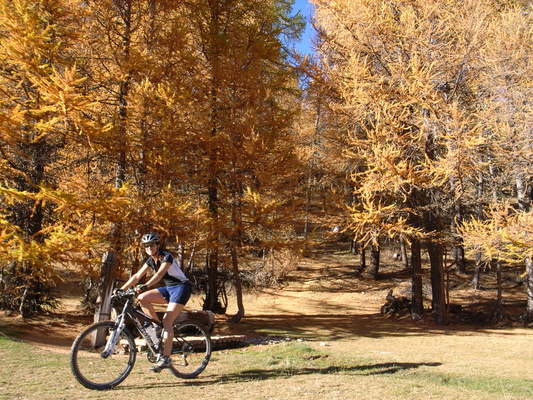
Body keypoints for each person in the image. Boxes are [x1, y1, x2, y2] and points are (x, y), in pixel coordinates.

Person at [119, 232, 192, 372]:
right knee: (142, 298)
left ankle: (166, 359)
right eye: (146, 246)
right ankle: (156, 326)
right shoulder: (150, 260)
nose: (149, 248)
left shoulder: (167, 257)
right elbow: (137, 275)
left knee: (167, 321)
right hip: (169, 289)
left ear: (158, 245)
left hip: (181, 288)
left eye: (152, 245)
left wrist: (145, 286)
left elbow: (158, 275)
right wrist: (122, 289)